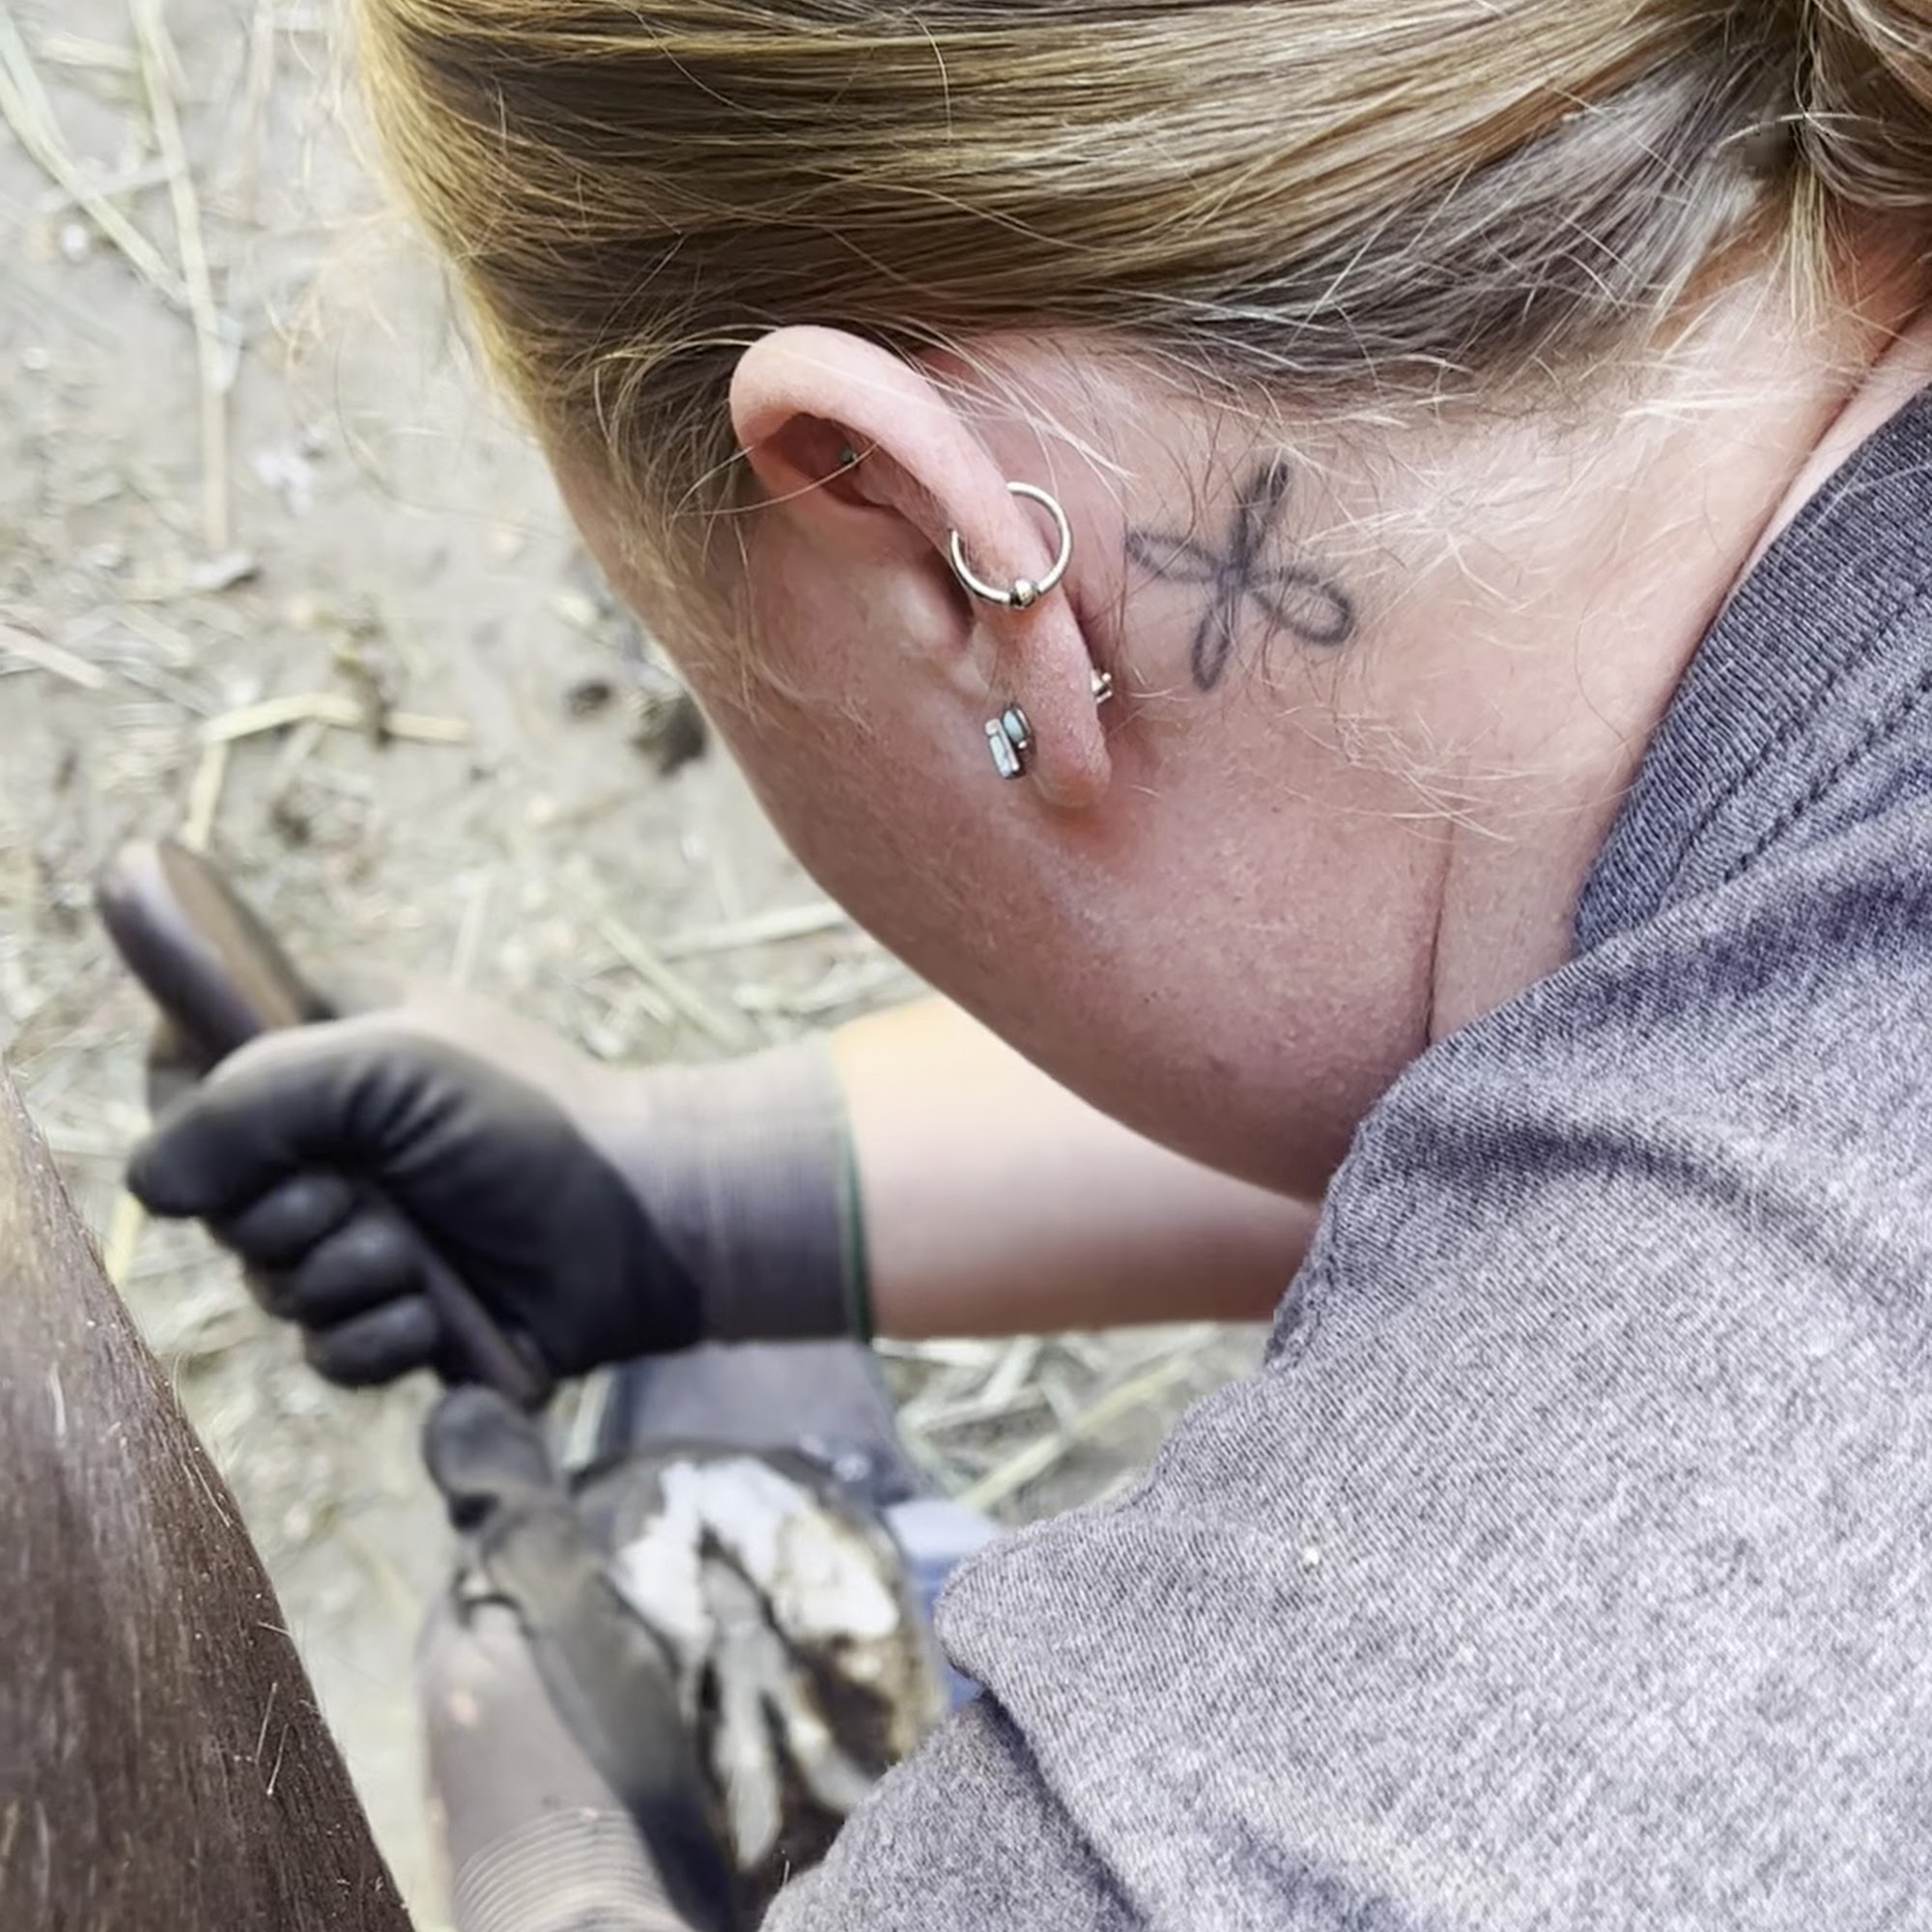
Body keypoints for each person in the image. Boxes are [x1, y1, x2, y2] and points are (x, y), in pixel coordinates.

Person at [125, 1, 1932, 1923]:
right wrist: (717, 1195)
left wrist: (558, 1861)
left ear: (948, 559)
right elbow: (1706, 1083)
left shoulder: (1300, 1838)